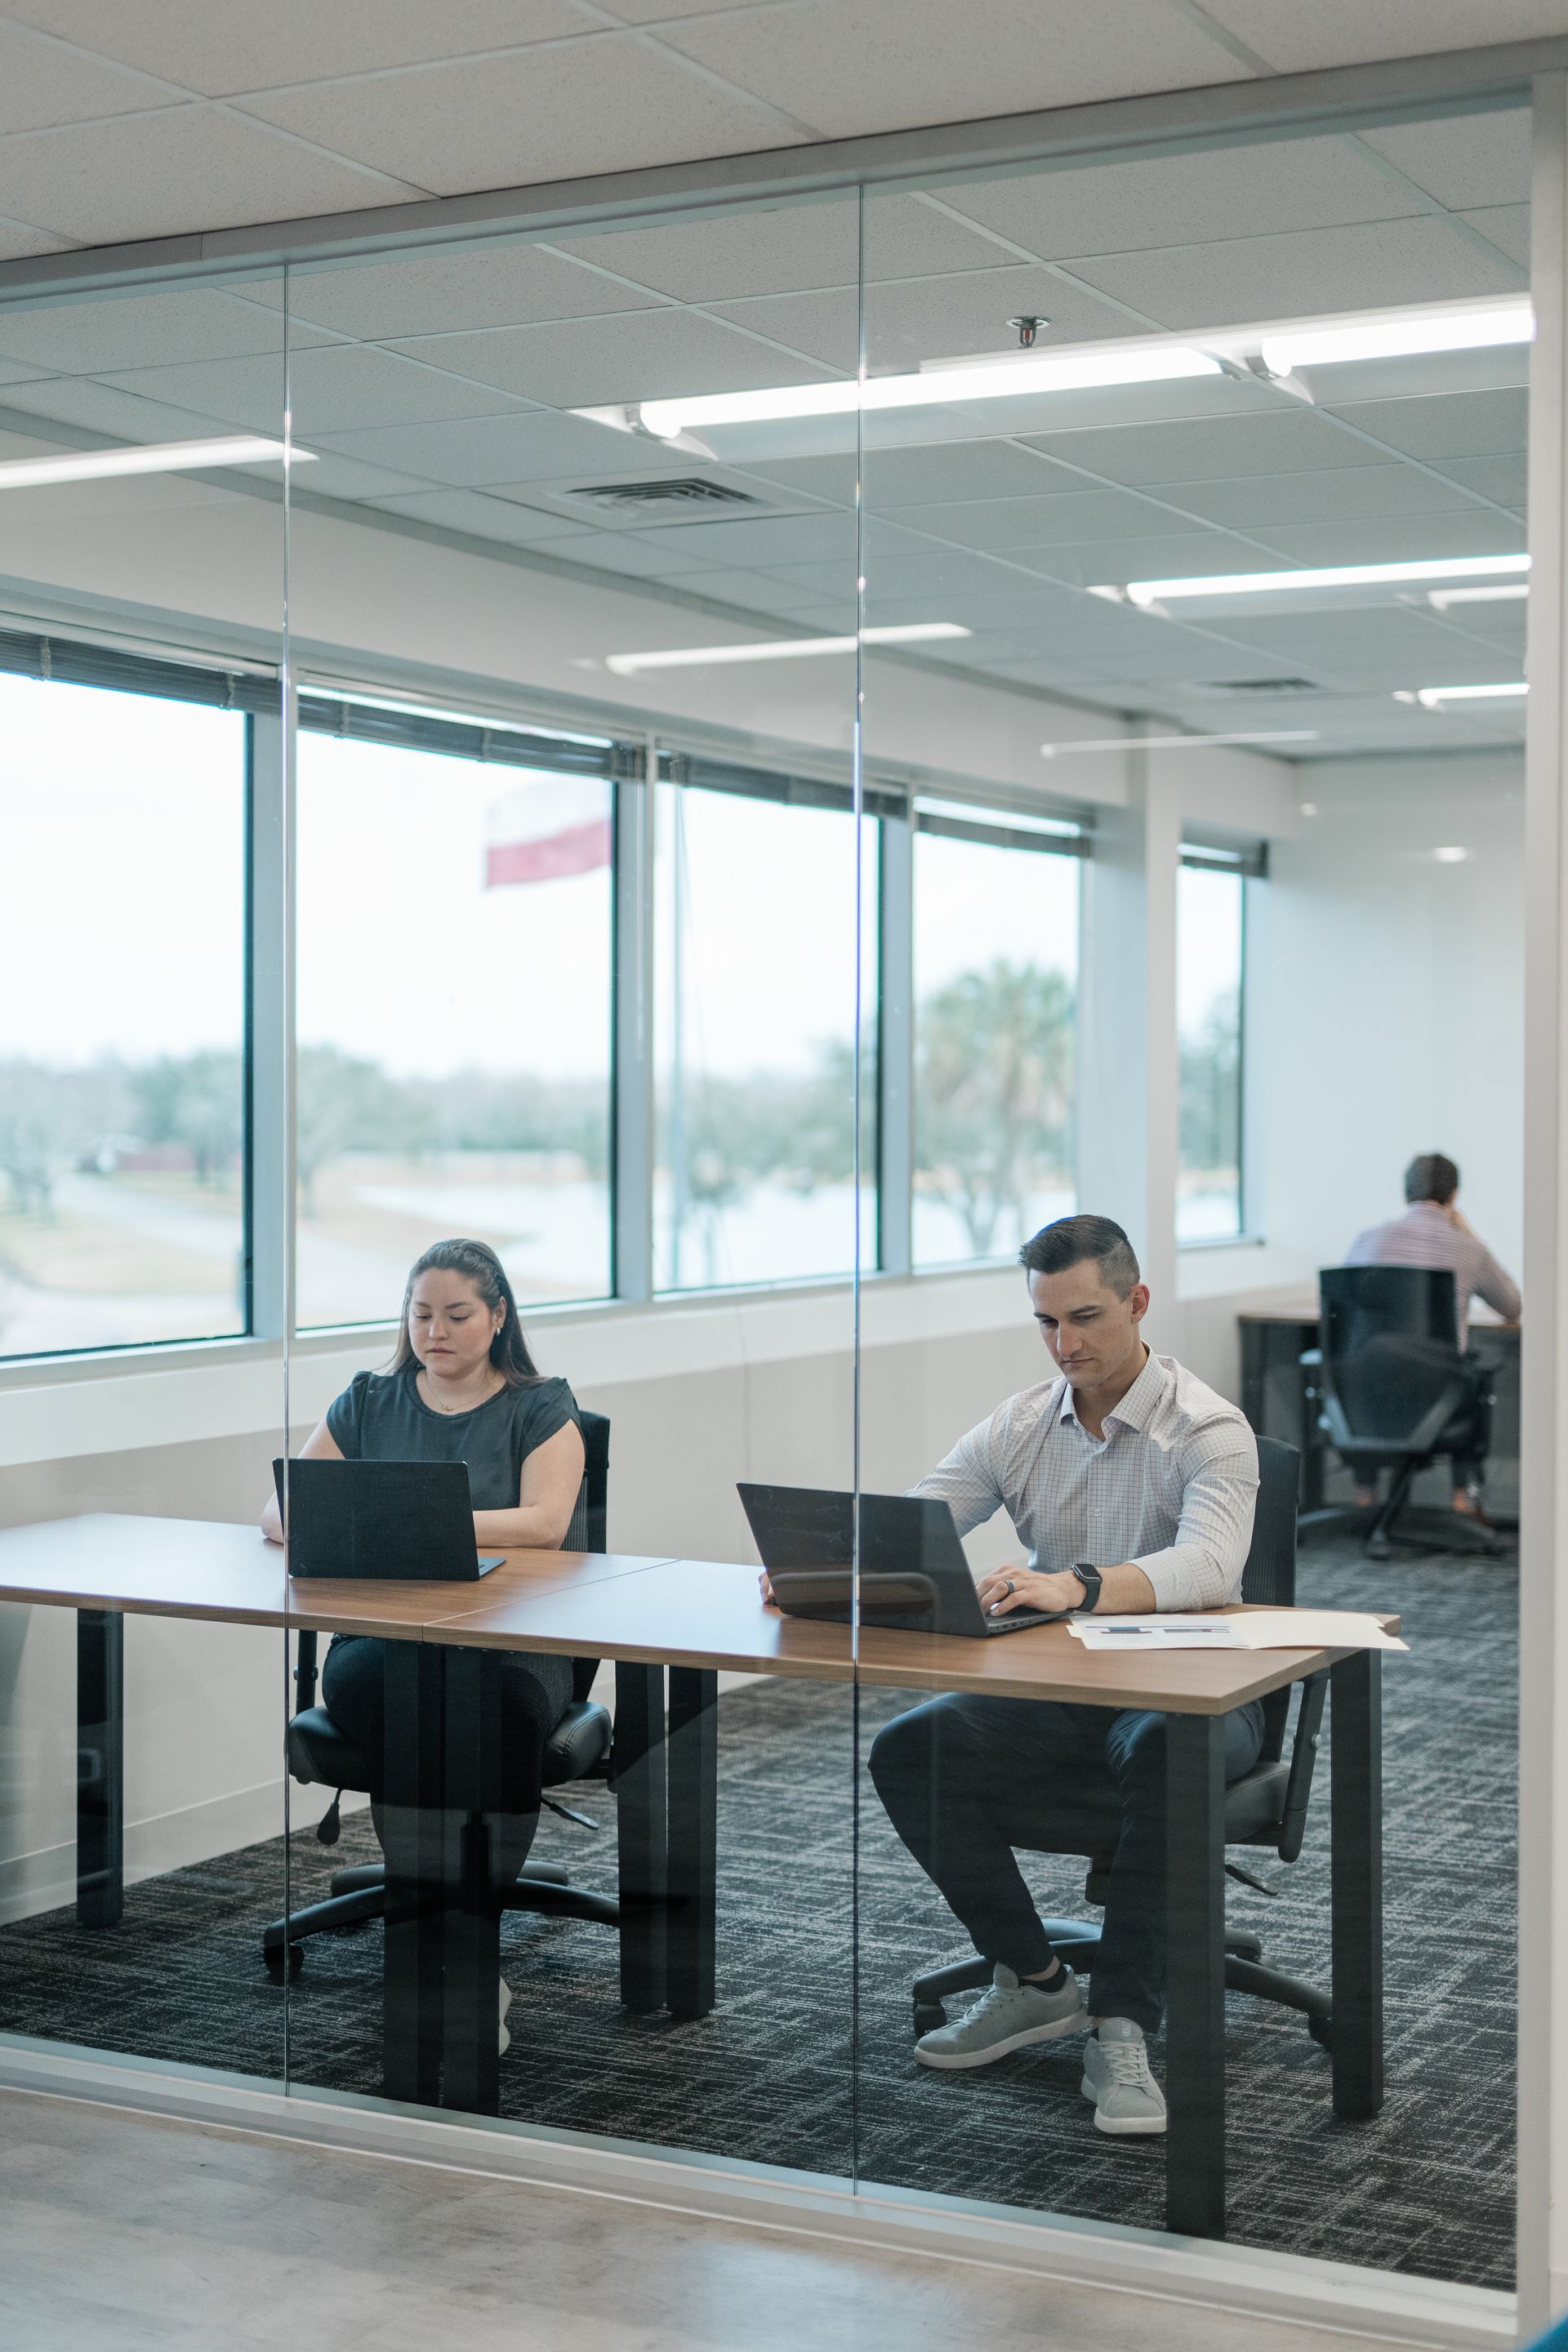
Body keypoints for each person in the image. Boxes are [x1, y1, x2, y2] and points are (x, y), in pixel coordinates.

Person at [864, 1214, 1259, 2138]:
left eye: (1085, 1317)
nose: (1065, 1343)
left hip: (1197, 1689)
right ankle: (1036, 1981)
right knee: (910, 1747)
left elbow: (1210, 1566)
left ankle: (1122, 2026)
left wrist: (1079, 1583)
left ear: (1138, 1302)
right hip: (1068, 1690)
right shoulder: (1023, 1423)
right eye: (1046, 1322)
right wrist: (838, 1563)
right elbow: (923, 1518)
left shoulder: (1207, 1428)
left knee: (1164, 1746)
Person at [262, 1236, 586, 2051]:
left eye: (457, 1315)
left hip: (515, 1645)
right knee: (401, 1700)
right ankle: (437, 1940)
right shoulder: (367, 1400)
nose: (434, 1332)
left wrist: (415, 1518)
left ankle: (468, 1952)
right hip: (384, 1643)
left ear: (499, 1316)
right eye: (420, 1315)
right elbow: (281, 1512)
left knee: (495, 1712)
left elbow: (546, 1524)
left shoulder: (540, 1406)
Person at [1344, 1152, 1521, 1520]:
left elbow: (1339, 1309)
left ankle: (1364, 1492)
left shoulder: (1367, 1241)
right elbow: (1512, 1306)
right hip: (1438, 1395)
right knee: (1476, 1374)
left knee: (1365, 1366)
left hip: (1368, 1392)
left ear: (1405, 1194)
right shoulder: (1467, 1248)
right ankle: (1463, 1497)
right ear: (1453, 1196)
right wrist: (1468, 1233)